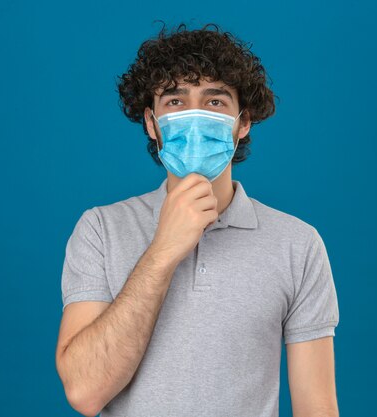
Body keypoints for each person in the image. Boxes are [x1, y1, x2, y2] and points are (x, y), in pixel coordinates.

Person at [55, 22, 340, 417]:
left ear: (243, 122)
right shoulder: (100, 230)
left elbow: (317, 407)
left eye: (215, 101)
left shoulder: (298, 244)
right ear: (152, 124)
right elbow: (85, 392)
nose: (194, 117)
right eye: (174, 101)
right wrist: (163, 249)